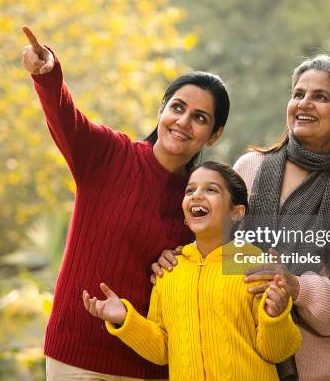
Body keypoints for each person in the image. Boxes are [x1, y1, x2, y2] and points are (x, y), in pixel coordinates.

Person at [153, 55, 330, 380]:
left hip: (317, 372)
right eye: (298, 94)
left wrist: (297, 288)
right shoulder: (249, 167)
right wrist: (178, 259)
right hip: (237, 365)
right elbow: (212, 249)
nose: (304, 104)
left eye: (320, 97)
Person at [21, 26, 230, 380]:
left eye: (200, 117)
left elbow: (224, 265)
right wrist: (48, 71)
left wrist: (182, 262)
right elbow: (65, 116)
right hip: (76, 355)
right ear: (161, 109)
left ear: (214, 135)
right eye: (177, 108)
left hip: (148, 365)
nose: (183, 122)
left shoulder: (201, 201)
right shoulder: (109, 155)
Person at [83, 161, 302, 380]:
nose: (196, 195)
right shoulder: (170, 271)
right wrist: (125, 318)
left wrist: (276, 316)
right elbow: (162, 350)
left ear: (236, 212)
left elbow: (277, 352)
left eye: (211, 189)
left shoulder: (255, 266)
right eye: (190, 190)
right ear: (186, 218)